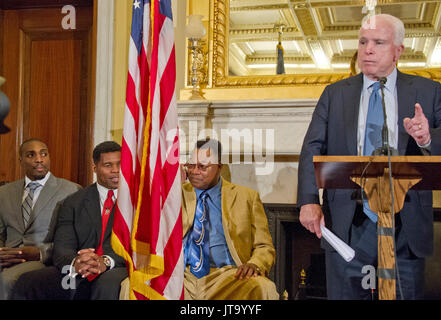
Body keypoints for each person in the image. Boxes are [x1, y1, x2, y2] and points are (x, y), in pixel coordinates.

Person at [297, 13, 441, 299]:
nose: (368, 49)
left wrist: (427, 138)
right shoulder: (335, 94)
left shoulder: (428, 91)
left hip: (406, 224)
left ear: (398, 50)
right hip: (348, 223)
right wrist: (309, 201)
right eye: (363, 42)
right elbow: (312, 148)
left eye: (378, 42)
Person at [10, 141, 127, 300]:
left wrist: (105, 261)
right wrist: (76, 263)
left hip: (117, 265)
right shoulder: (72, 202)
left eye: (120, 164)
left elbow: (138, 245)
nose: (116, 170)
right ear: (94, 168)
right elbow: (63, 245)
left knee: (105, 285)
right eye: (108, 165)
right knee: (29, 281)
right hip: (78, 267)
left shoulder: (136, 203)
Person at [181, 138, 278, 300]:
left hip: (227, 276)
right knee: (133, 284)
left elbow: (264, 246)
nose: (195, 171)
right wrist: (167, 183)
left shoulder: (246, 197)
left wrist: (255, 264)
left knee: (264, 288)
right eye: (191, 165)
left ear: (219, 167)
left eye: (202, 167)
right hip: (183, 276)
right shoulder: (175, 194)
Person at [0, 139, 81, 298]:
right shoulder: (4, 192)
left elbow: (73, 241)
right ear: (21, 160)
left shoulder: (71, 191)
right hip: (6, 259)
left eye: (43, 154)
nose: (39, 159)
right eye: (31, 155)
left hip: (41, 260)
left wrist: (38, 253)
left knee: (5, 281)